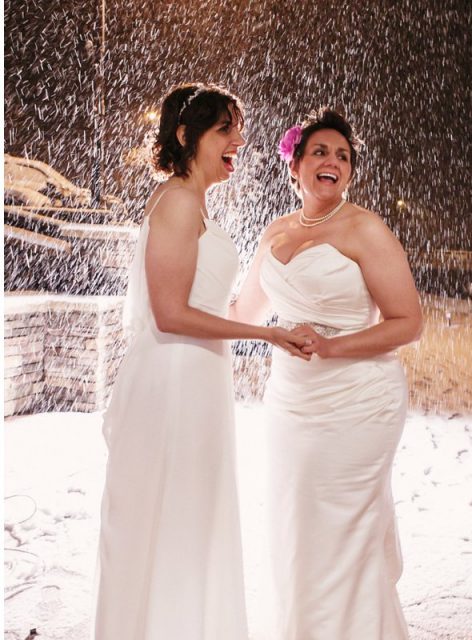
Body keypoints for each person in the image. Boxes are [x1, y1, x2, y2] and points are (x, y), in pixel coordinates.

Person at [94, 83, 308, 640]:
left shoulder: (197, 203)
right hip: (171, 383)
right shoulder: (178, 201)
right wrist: (265, 335)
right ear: (187, 135)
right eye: (225, 130)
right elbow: (170, 314)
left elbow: (218, 306)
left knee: (190, 525)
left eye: (240, 130)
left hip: (198, 380)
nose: (239, 141)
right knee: (168, 525)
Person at [230, 108, 423, 639]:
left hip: (358, 401)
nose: (331, 161)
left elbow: (409, 322)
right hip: (290, 402)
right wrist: (181, 307)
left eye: (342, 155)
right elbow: (242, 313)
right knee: (297, 524)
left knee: (342, 530)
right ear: (294, 166)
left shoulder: (365, 229)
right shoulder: (275, 232)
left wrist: (332, 347)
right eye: (319, 151)